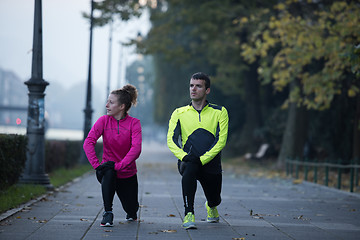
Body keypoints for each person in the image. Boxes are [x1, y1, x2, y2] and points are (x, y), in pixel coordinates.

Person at [167, 72, 229, 229]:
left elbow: (220, 141)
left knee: (215, 198)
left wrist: (203, 159)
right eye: (191, 85)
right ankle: (189, 213)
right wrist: (184, 157)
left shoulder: (220, 111)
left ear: (207, 90)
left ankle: (211, 206)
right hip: (189, 160)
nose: (193, 89)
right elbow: (171, 140)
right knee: (189, 169)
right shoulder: (179, 113)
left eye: (198, 86)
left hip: (211, 163)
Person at [83, 84, 142, 227]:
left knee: (131, 209)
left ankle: (131, 210)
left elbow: (136, 148)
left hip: (127, 173)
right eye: (108, 101)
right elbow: (88, 142)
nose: (107, 105)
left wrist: (119, 166)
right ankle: (107, 213)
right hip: (107, 171)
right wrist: (97, 166)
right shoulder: (103, 121)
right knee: (108, 171)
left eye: (111, 102)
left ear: (122, 106)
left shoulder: (134, 123)